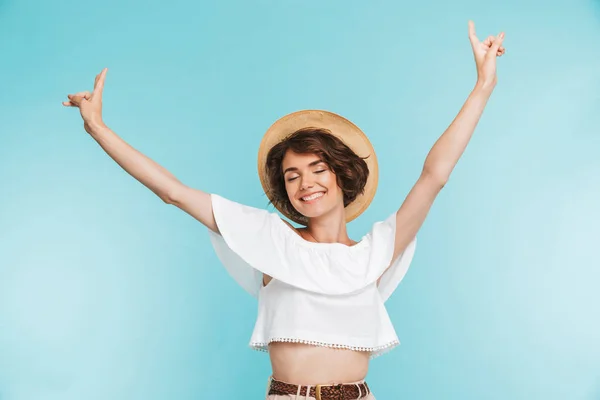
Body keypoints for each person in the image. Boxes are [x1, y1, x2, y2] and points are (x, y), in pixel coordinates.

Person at [63, 21, 505, 400]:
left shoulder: (376, 250)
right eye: (292, 176)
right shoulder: (270, 240)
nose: (305, 183)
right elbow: (174, 192)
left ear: (342, 175)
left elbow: (434, 175)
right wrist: (98, 128)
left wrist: (483, 86)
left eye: (317, 169)